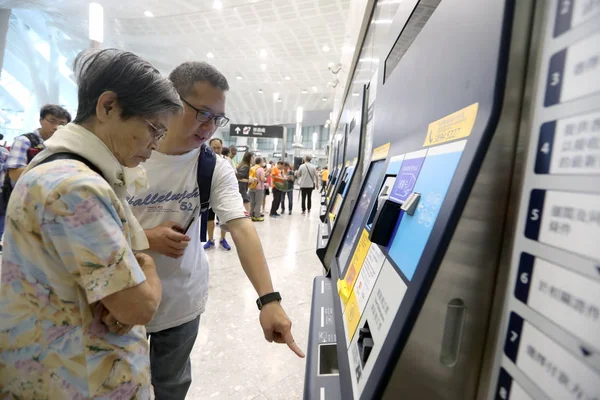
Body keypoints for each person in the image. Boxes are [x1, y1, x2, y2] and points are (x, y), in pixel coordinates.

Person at [0, 48, 182, 398]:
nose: (154, 146)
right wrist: (149, 270)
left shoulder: (53, 168)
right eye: (154, 130)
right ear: (108, 106)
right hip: (75, 379)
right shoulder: (77, 187)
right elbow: (138, 306)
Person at [128, 61, 303, 400]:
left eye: (217, 118)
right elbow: (88, 226)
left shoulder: (212, 166)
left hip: (180, 303)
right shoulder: (128, 152)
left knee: (172, 386)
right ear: (172, 102)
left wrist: (269, 300)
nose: (210, 127)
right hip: (120, 300)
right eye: (202, 113)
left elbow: (242, 229)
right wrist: (145, 238)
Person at [6, 104, 71, 183]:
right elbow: (15, 174)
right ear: (41, 120)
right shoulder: (24, 141)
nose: (56, 127)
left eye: (62, 124)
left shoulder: (63, 146)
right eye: (52, 121)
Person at [204, 137, 231, 251]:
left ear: (222, 147)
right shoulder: (204, 160)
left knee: (223, 218)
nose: (216, 150)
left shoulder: (227, 160)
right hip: (209, 194)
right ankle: (210, 240)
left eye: (218, 148)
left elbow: (232, 175)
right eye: (213, 148)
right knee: (209, 218)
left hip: (222, 194)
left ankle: (223, 239)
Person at [249, 156, 266, 221]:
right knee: (258, 202)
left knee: (252, 202)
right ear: (261, 162)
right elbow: (262, 179)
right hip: (259, 188)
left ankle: (251, 215)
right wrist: (265, 178)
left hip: (251, 187)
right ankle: (257, 216)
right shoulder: (261, 169)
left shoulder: (252, 168)